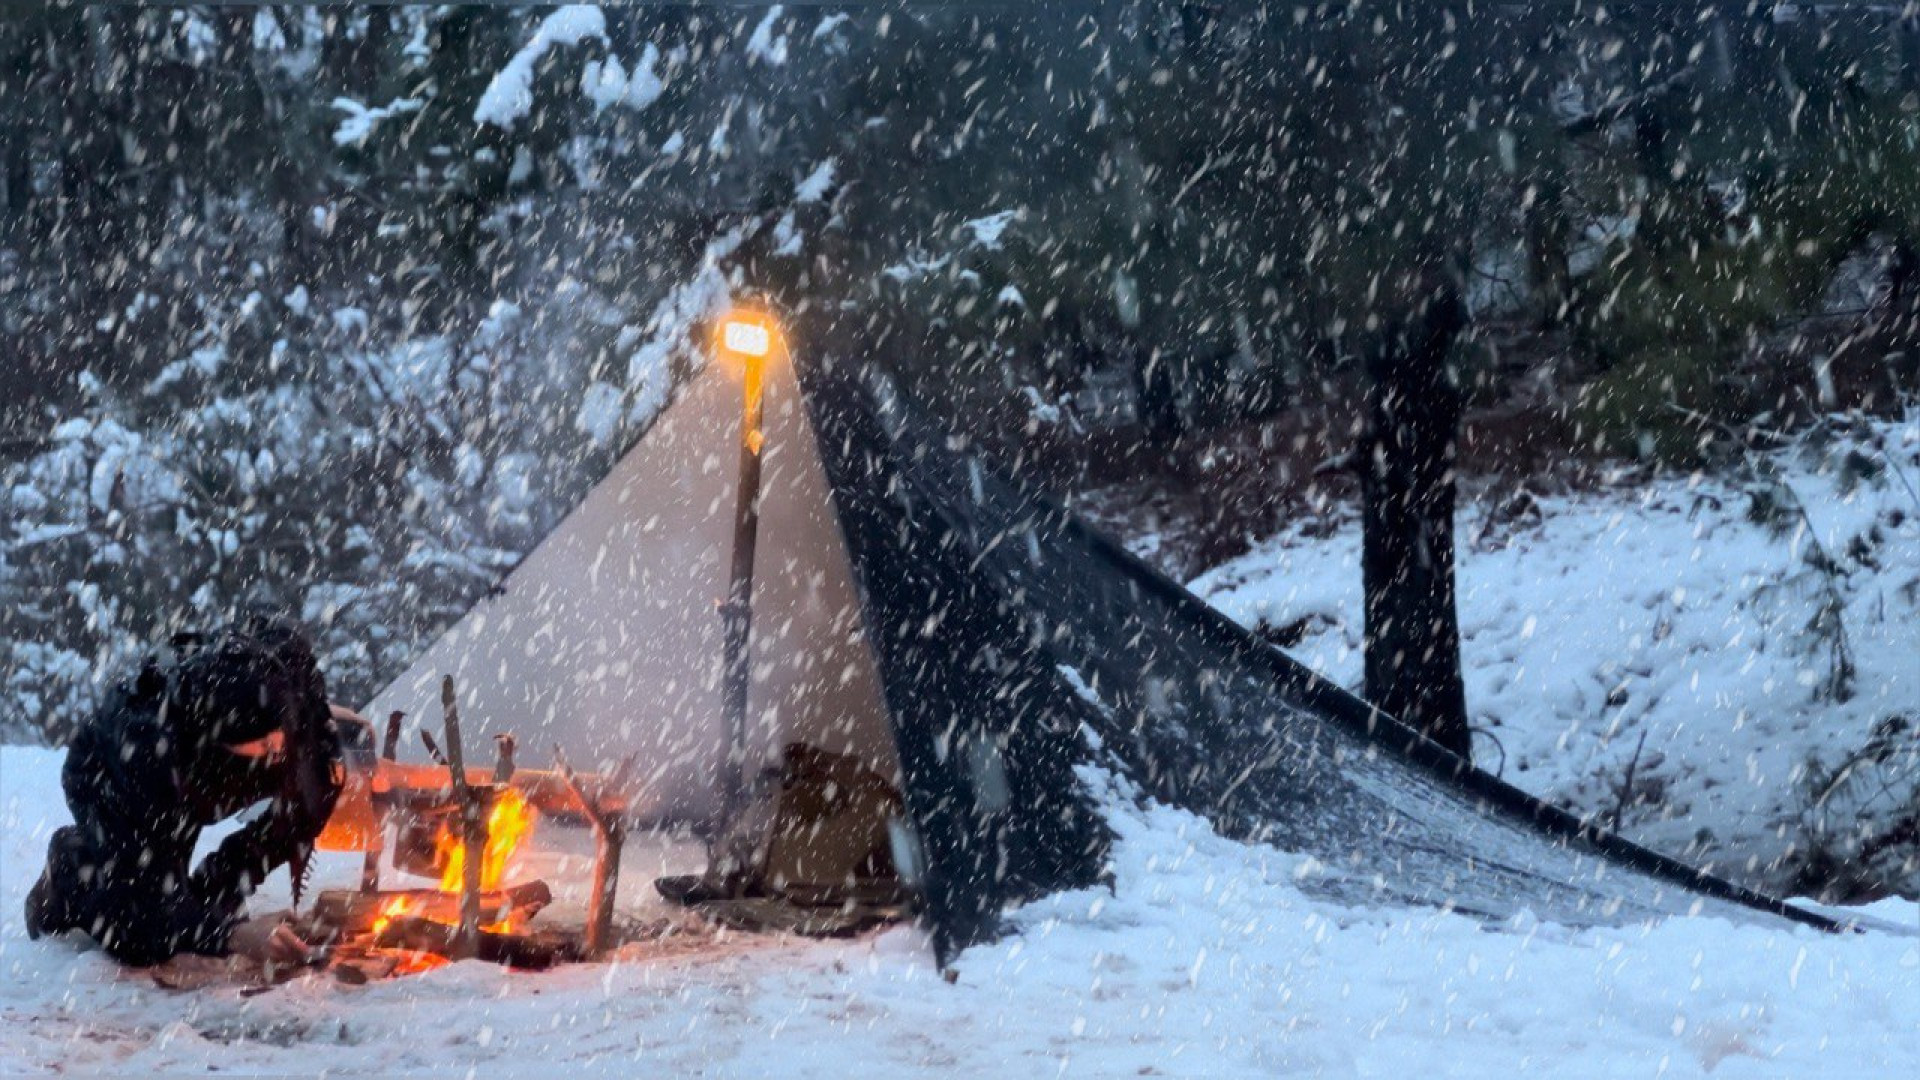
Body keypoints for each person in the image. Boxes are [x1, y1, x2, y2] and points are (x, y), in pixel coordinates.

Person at [23, 615, 345, 967]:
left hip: (202, 769)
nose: (278, 751)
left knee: (308, 796)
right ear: (219, 742)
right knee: (139, 934)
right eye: (265, 746)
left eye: (281, 738)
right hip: (107, 776)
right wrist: (231, 934)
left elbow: (317, 783)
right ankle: (68, 876)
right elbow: (149, 903)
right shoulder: (148, 753)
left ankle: (206, 902)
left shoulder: (287, 687)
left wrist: (226, 887)